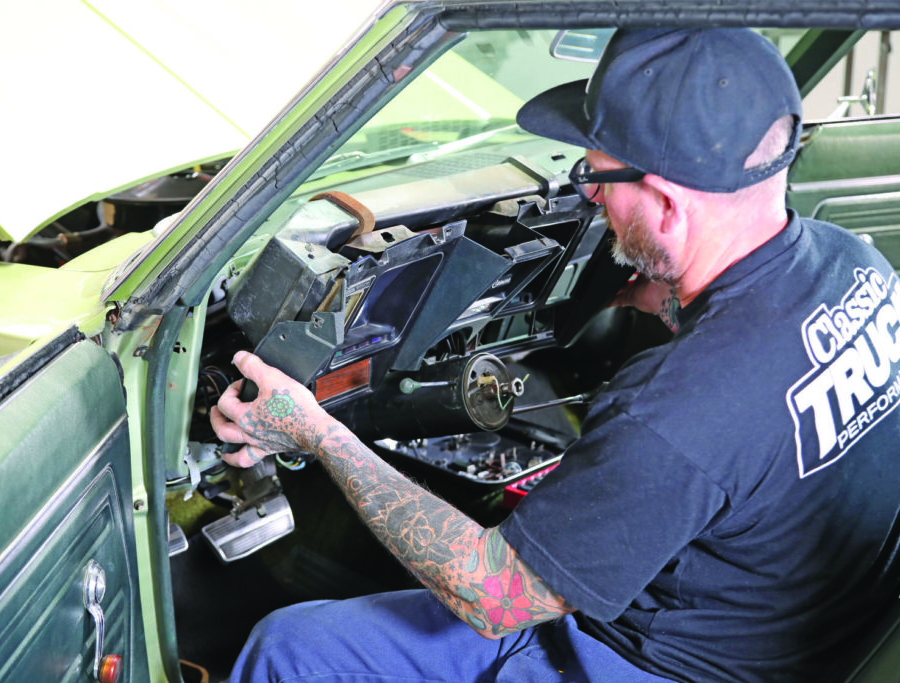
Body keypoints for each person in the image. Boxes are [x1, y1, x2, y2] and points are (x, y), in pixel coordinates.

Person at [210, 28, 900, 682]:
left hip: (647, 662)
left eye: (595, 176)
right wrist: (658, 297)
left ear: (666, 204)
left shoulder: (673, 415)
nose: (591, 196)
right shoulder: (856, 268)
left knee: (291, 648)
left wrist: (315, 432)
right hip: (808, 629)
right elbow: (758, 376)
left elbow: (493, 594)